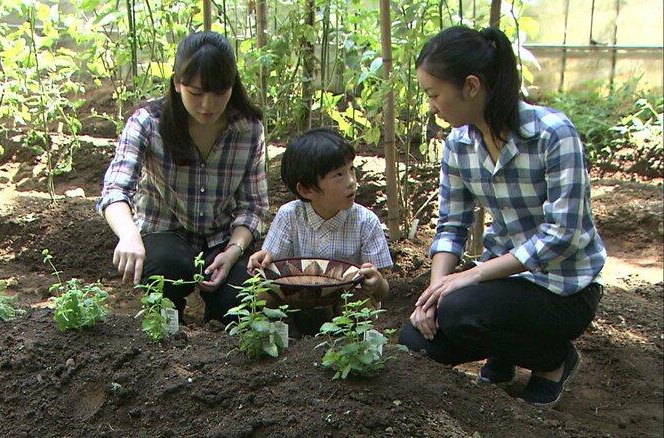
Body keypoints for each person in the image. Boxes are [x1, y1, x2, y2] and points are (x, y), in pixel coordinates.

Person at [397, 26, 606, 409]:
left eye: (434, 94)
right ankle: (504, 352)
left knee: (461, 310)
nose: (433, 106)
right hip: (505, 283)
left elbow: (563, 235)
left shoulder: (552, 134)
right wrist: (433, 294)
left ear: (472, 86)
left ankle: (553, 361)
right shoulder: (458, 146)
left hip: (564, 288)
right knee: (414, 342)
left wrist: (472, 276)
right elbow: (451, 227)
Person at [97, 31, 268, 324]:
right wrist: (129, 236)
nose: (208, 105)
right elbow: (115, 188)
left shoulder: (248, 128)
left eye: (219, 92)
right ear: (177, 83)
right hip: (166, 232)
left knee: (240, 302)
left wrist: (233, 251)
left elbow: (253, 207)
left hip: (222, 238)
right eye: (197, 92)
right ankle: (167, 334)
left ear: (232, 85)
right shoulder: (148, 123)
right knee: (166, 271)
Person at [248, 127, 392, 334]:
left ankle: (353, 351)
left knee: (359, 304)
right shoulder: (289, 216)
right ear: (307, 189)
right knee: (260, 296)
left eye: (351, 169)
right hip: (295, 304)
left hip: (342, 304)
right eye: (339, 175)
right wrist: (262, 261)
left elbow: (382, 291)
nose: (352, 181)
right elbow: (274, 272)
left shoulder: (366, 222)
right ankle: (278, 350)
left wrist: (375, 283)